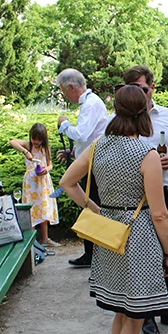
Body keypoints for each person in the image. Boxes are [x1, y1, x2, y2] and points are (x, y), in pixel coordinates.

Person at [59, 85, 168, 334]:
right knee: (134, 318)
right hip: (137, 240)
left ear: (116, 111)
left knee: (121, 312)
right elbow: (159, 214)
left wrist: (95, 209)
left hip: (108, 235)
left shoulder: (98, 146)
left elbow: (67, 182)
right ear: (144, 112)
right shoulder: (147, 155)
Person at [118, 65, 168, 334]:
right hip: (135, 199)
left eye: (143, 88)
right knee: (143, 257)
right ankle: (146, 314)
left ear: (152, 88)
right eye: (133, 89)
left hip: (163, 192)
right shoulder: (122, 120)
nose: (140, 94)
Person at [56, 68, 108, 268]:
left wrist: (64, 124)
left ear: (71, 87)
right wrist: (72, 153)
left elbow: (82, 134)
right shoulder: (90, 103)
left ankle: (94, 255)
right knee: (89, 205)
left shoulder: (91, 104)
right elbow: (89, 138)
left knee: (90, 205)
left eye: (64, 91)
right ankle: (92, 254)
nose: (65, 95)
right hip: (90, 162)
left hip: (93, 165)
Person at [10, 123, 59, 246]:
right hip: (31, 184)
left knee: (43, 208)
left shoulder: (45, 148)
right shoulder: (28, 145)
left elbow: (50, 164)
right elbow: (12, 142)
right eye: (34, 138)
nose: (36, 142)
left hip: (43, 183)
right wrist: (25, 152)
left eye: (39, 140)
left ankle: (45, 238)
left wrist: (47, 169)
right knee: (31, 210)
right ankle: (33, 242)